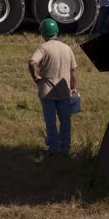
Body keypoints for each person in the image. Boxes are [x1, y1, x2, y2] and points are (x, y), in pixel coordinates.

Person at [28, 18, 78, 155]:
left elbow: (32, 62)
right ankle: (65, 147)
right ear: (56, 31)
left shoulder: (43, 48)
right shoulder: (67, 48)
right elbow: (73, 70)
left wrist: (36, 77)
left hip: (47, 90)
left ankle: (53, 148)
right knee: (65, 120)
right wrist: (72, 86)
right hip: (64, 90)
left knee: (50, 120)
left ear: (43, 33)